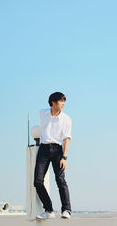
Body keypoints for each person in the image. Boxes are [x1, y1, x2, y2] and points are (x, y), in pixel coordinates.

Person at [34, 92, 72, 220]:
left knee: (60, 180)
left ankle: (66, 209)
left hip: (57, 150)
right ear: (53, 102)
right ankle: (49, 209)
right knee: (38, 182)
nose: (63, 104)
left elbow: (67, 138)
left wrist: (64, 157)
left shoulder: (66, 119)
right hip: (43, 149)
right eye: (61, 102)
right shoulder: (42, 113)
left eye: (64, 102)